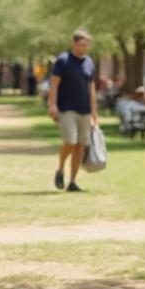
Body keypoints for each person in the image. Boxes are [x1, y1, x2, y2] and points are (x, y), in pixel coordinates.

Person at [47, 30, 97, 193]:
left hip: (85, 110)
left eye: (87, 44)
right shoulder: (63, 61)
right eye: (82, 44)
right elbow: (54, 84)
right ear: (73, 44)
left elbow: (91, 87)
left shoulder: (89, 62)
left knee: (80, 146)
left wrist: (94, 112)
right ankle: (60, 169)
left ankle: (73, 182)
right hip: (66, 109)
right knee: (70, 141)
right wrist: (52, 105)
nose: (85, 47)